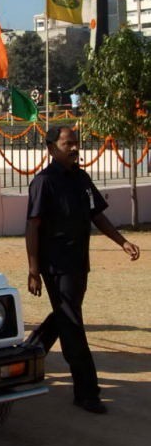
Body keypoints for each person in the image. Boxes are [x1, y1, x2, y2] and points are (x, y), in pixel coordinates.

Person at [26, 126, 140, 414]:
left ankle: (30, 353)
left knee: (65, 315)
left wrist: (122, 241)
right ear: (51, 148)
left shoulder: (81, 178)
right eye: (68, 144)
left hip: (79, 263)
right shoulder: (44, 182)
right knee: (73, 325)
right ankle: (87, 391)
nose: (74, 148)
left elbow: (96, 214)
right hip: (55, 266)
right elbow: (33, 226)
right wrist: (33, 269)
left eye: (76, 143)